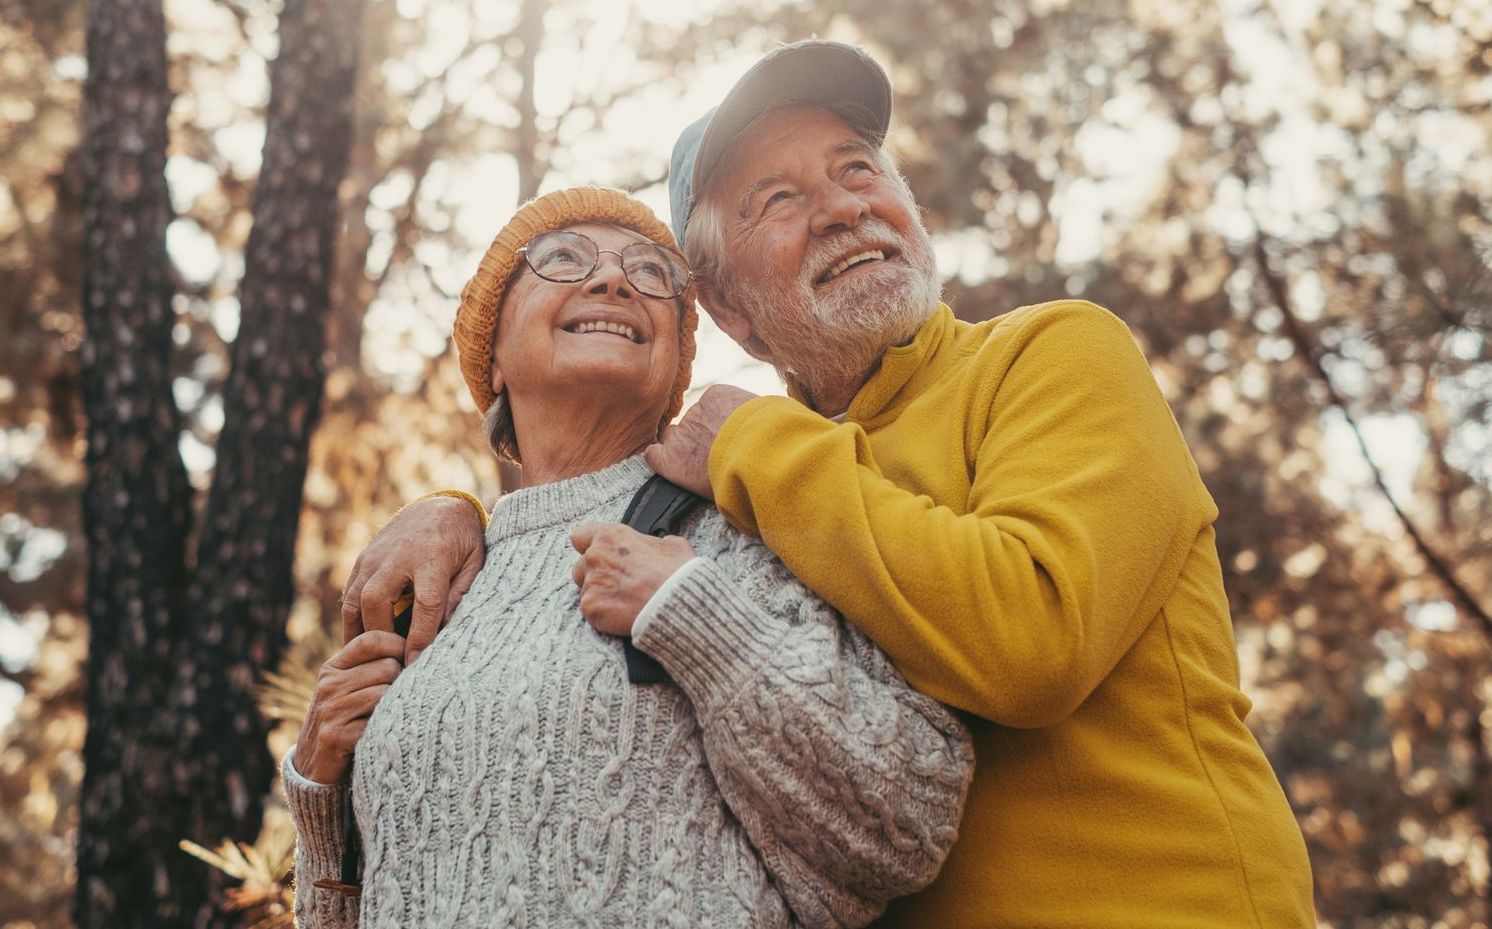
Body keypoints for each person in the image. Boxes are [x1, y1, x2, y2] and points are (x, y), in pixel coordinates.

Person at [346, 43, 1317, 928]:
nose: (845, 205)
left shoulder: (1050, 355)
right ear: (728, 307)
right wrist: (461, 513)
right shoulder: (739, 491)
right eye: (776, 198)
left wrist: (755, 438)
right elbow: (574, 508)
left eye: (858, 170)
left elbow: (1033, 637)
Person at [285, 186, 972, 929]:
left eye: (650, 273)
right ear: (493, 358)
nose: (612, 281)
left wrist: (698, 616)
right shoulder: (437, 585)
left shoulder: (743, 528)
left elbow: (906, 824)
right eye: (562, 259)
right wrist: (322, 810)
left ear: (678, 359)